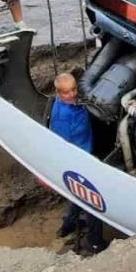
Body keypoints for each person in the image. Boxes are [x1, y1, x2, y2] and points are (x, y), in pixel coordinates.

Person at [50, 72, 107, 254]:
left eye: (74, 89)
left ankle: (68, 226)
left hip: (86, 152)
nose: (73, 94)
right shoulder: (62, 118)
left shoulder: (70, 102)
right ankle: (94, 242)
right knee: (92, 202)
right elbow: (61, 146)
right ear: (59, 93)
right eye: (67, 92)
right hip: (78, 161)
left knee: (77, 197)